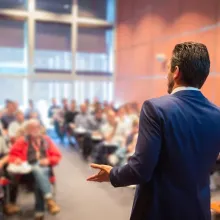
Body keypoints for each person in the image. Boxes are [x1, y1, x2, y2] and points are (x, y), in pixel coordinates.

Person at [87, 42, 220, 220]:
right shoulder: (217, 114)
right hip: (198, 211)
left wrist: (113, 174)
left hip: (160, 211)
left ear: (176, 71)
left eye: (168, 68)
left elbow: (141, 169)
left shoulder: (156, 108)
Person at [9, 119, 61, 220]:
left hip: (45, 170)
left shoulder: (46, 140)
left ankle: (40, 212)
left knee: (39, 173)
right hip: (27, 173)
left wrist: (48, 160)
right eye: (31, 128)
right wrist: (17, 159)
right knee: (37, 169)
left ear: (40, 128)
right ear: (27, 130)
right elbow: (12, 156)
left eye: (36, 127)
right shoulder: (21, 141)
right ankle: (48, 200)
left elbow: (57, 156)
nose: (34, 130)